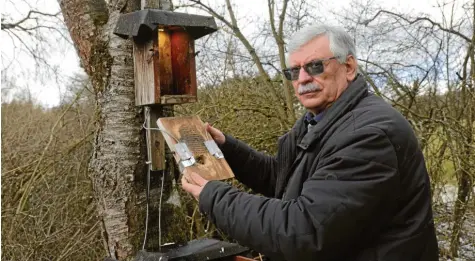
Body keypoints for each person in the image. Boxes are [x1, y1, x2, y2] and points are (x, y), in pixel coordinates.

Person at [181, 24, 439, 261]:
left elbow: (302, 231)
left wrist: (213, 197)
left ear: (349, 67)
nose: (302, 79)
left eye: (315, 66)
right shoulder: (320, 120)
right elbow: (282, 179)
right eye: (294, 71)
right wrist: (227, 148)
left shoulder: (368, 135)